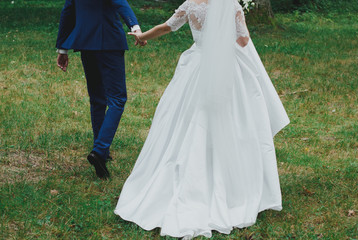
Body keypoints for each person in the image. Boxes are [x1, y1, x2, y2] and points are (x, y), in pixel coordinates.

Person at [115, 0, 290, 238]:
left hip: (197, 67)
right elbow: (244, 40)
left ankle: (190, 173)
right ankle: (231, 183)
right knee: (232, 120)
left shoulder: (191, 5)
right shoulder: (232, 6)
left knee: (188, 120)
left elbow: (167, 27)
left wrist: (141, 35)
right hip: (228, 69)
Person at [56, 0, 146, 179]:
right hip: (110, 43)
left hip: (86, 42)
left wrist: (62, 48)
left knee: (97, 98)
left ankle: (101, 151)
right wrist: (135, 27)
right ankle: (99, 151)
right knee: (118, 99)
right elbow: (120, 2)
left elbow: (68, 11)